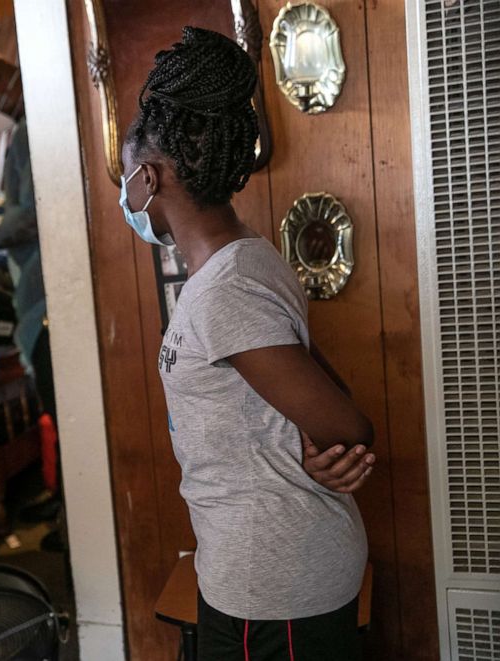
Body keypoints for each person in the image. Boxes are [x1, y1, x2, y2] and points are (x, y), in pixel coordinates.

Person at [120, 28, 376, 659]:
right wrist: (310, 440)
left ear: (149, 179)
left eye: (126, 179)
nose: (124, 195)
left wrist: (332, 440)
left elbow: (348, 423)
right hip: (255, 569)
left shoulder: (226, 289)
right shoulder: (242, 261)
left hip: (276, 582)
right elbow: (298, 378)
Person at [0, 53, 64, 542]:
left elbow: (29, 215)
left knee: (60, 404)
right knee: (55, 406)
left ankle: (70, 517)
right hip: (44, 288)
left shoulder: (29, 132)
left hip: (47, 294)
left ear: (5, 84)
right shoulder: (39, 122)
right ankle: (65, 497)